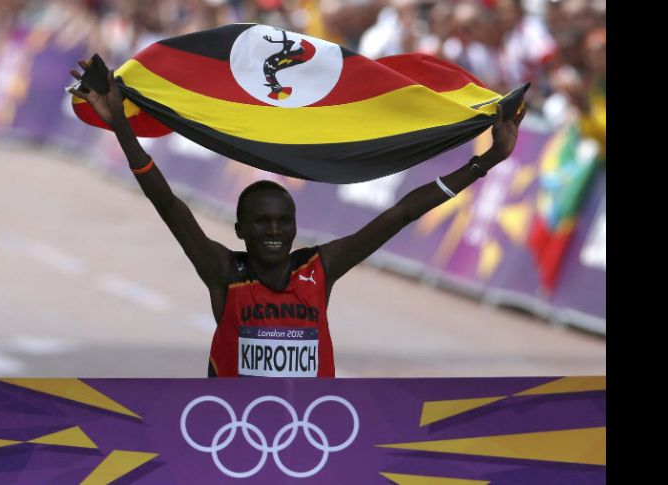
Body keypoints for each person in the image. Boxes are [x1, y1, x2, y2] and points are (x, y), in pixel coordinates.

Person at [68, 58, 526, 378]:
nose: (273, 230)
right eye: (262, 222)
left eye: (282, 221)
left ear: (293, 226)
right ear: (239, 231)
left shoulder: (319, 269)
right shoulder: (224, 272)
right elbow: (168, 204)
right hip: (234, 444)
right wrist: (122, 125)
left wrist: (486, 162)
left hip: (308, 445)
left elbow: (403, 212)